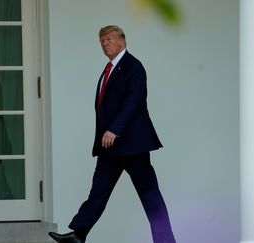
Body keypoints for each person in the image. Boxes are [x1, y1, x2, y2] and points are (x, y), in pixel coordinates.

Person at [48, 25, 176, 243]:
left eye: (108, 39)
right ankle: (78, 234)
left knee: (150, 196)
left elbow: (133, 102)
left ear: (122, 42)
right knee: (98, 192)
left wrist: (114, 129)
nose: (104, 43)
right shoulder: (109, 68)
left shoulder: (133, 67)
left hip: (132, 144)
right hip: (110, 146)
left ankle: (166, 241)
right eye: (101, 41)